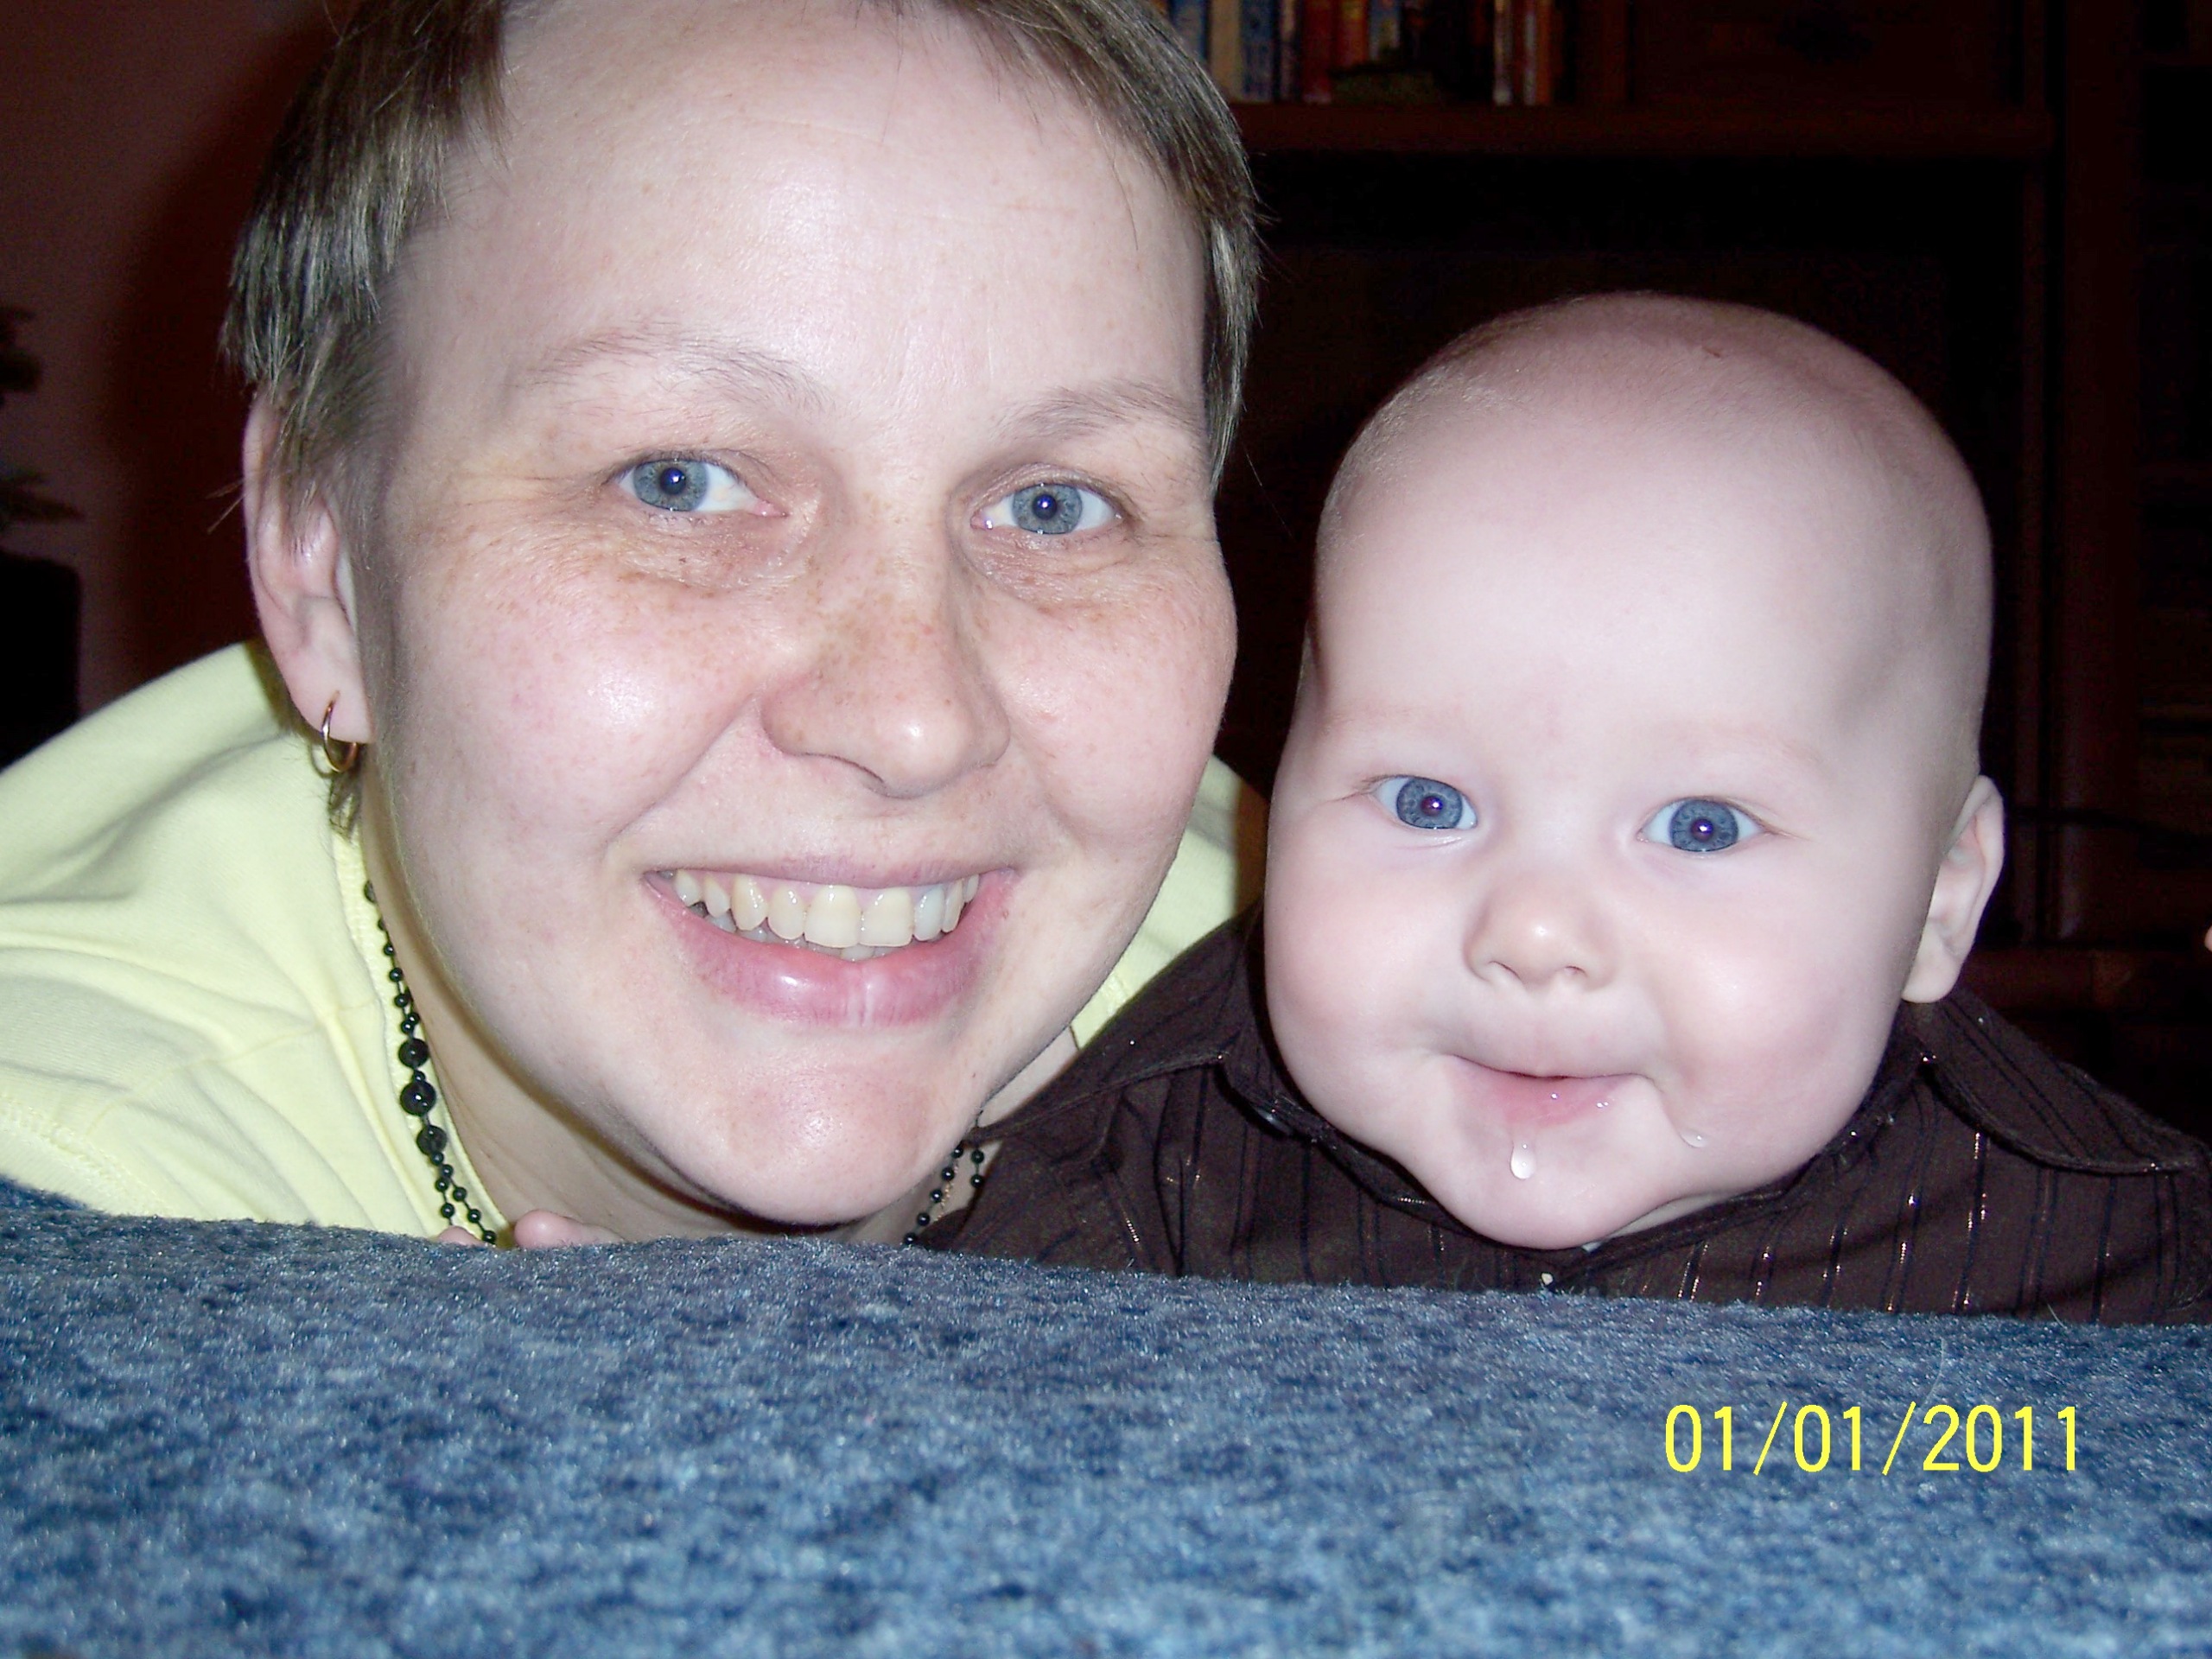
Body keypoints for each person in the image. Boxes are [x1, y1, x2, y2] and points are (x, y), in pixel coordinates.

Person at [0, 0, 1262, 1247]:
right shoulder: (77, 1243)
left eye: (1054, 507)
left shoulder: (1322, 1022)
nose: (911, 725)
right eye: (678, 482)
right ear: (324, 565)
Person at [933, 295, 2212, 1321]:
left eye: (1701, 827)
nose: (1534, 935)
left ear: (1939, 895)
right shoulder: (1137, 1175)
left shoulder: (2117, 1261)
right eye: (1427, 802)